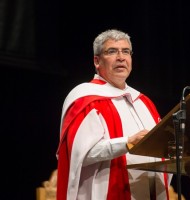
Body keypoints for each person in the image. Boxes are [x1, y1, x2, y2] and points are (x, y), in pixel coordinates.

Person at [56, 29, 172, 200]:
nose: (121, 57)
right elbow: (82, 153)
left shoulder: (144, 103)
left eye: (126, 51)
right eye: (112, 51)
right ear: (97, 61)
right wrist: (127, 143)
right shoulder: (85, 98)